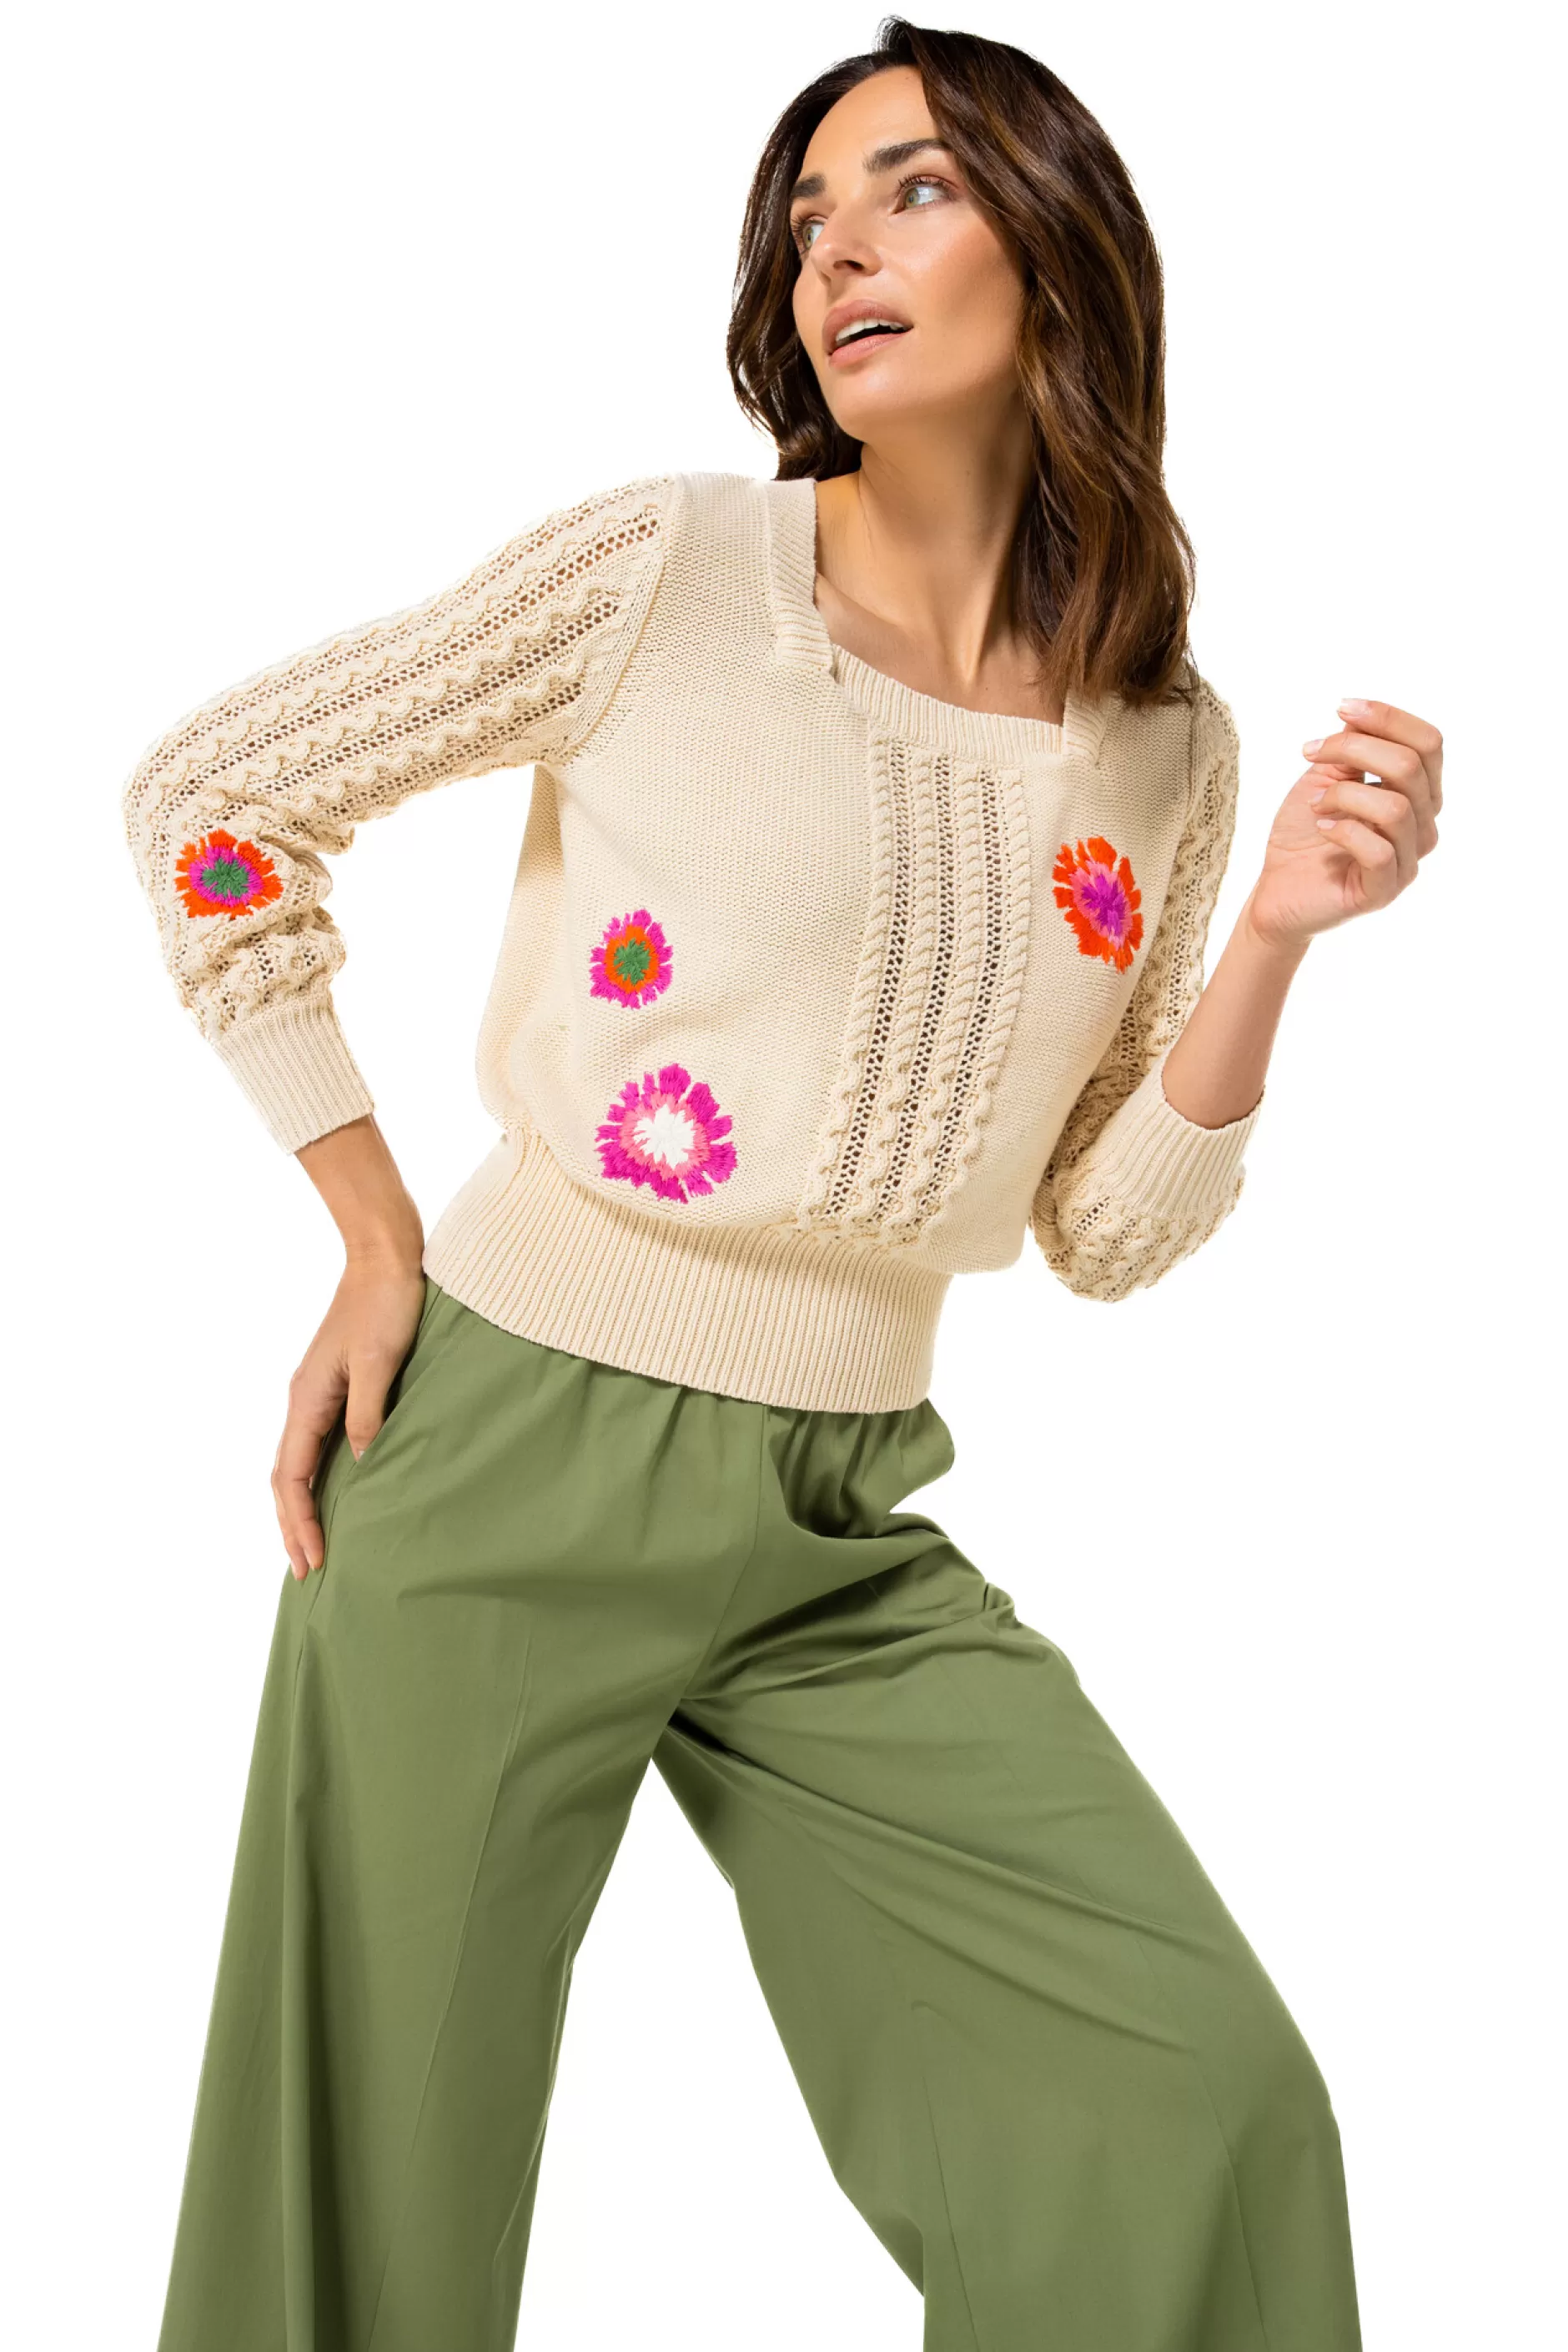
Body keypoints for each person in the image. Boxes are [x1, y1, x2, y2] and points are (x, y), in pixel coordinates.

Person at [123, 18, 1440, 2351]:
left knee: (1195, 2101)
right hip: (504, 1451)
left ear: (1062, 244)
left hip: (838, 1517)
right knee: (367, 2206)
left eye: (913, 190)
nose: (842, 251)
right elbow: (215, 800)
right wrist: (371, 1227)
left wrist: (1271, 941)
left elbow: (1106, 1229)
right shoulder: (670, 574)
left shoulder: (1164, 744)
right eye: (810, 215)